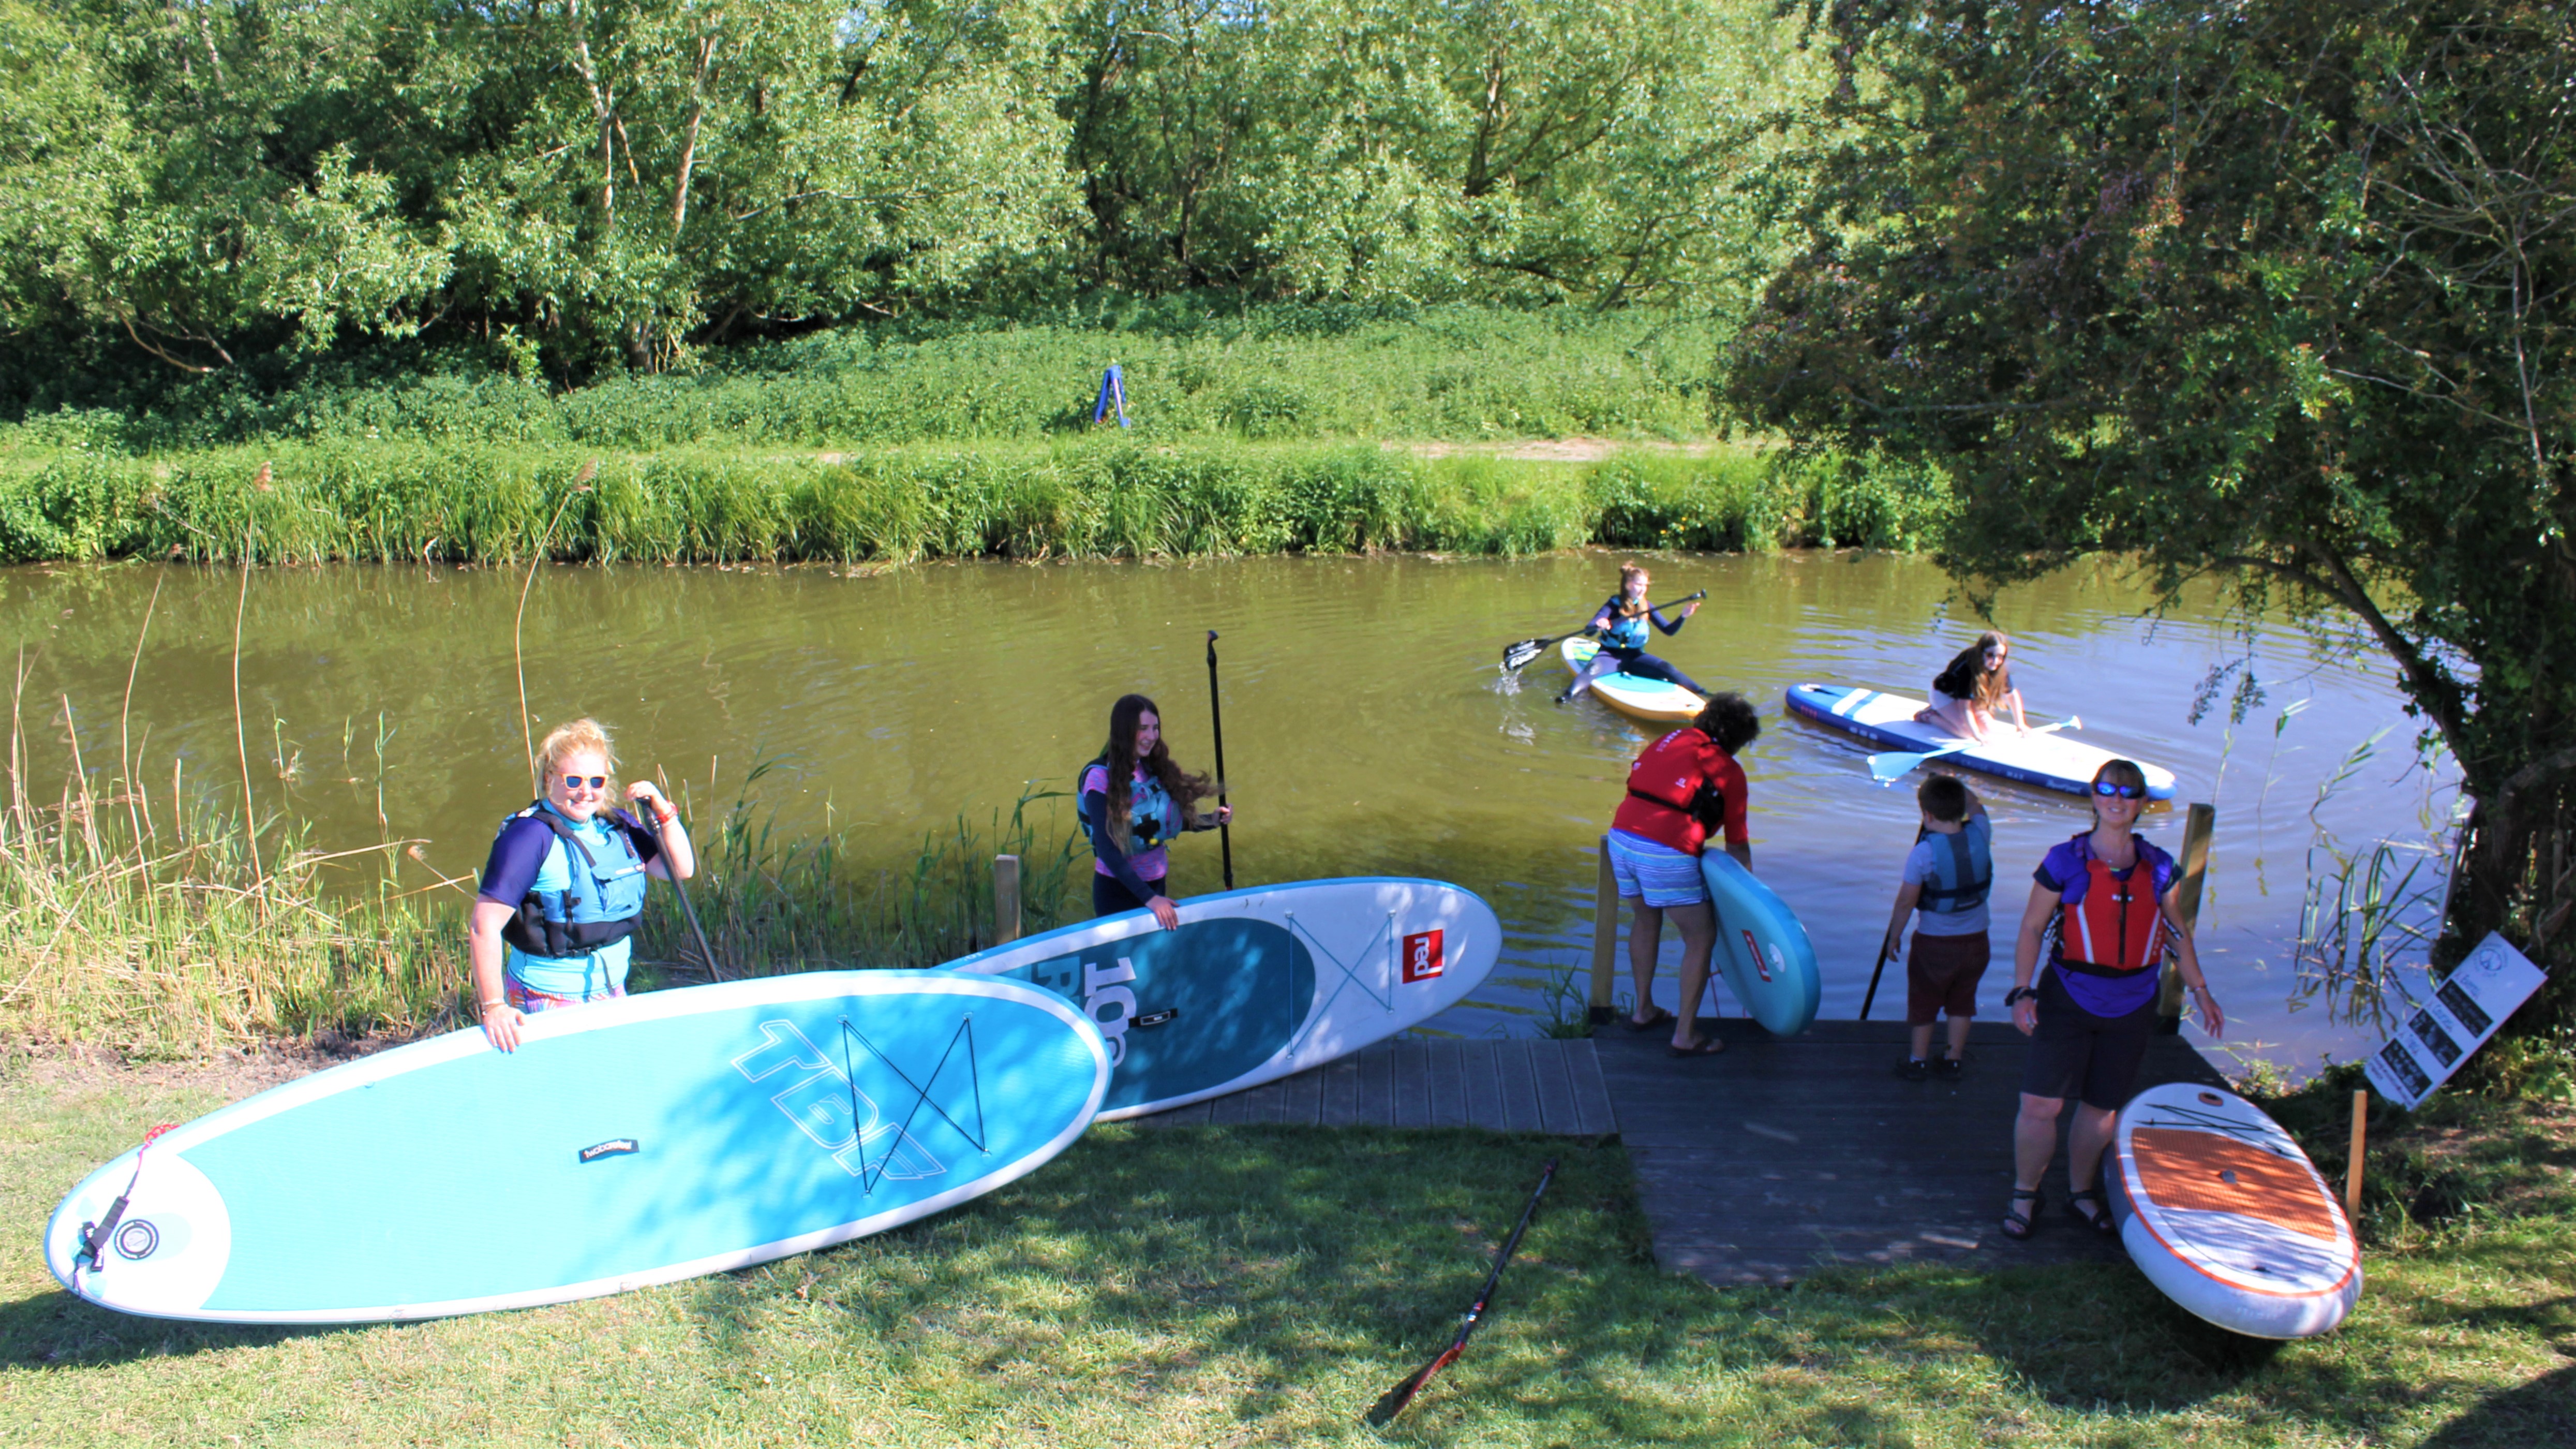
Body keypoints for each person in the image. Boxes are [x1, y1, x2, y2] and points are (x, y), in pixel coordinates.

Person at [1999, 759, 2224, 1240]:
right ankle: (2024, 1192)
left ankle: (2081, 1192)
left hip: (2133, 1000)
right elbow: (2032, 927)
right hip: (2069, 995)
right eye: (2106, 789)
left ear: (2142, 803)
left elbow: (2177, 932)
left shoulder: (2160, 867)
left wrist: (2201, 992)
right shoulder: (2064, 860)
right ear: (2094, 797)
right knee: (2040, 1105)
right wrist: (2022, 991)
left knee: (2102, 1108)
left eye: (2127, 792)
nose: (2116, 799)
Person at [471, 718, 696, 1053]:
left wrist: (663, 811)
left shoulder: (616, 825)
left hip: (613, 988)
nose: (586, 792)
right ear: (550, 779)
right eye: (573, 780)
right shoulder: (529, 837)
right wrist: (494, 1006)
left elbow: (680, 869)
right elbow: (483, 927)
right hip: (546, 997)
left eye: (596, 781)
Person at [1604, 692, 1761, 1057]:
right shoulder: (1728, 770)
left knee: (1645, 922)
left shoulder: (1669, 739)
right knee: (1700, 938)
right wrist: (1750, 898)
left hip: (1621, 838)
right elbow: (1738, 846)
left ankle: (1642, 1010)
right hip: (1666, 850)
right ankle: (1685, 1035)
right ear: (1738, 739)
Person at [1079, 693, 1231, 930]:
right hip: (1117, 890)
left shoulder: (1150, 768)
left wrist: (1211, 820)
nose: (1152, 737)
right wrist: (1149, 899)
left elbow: (1163, 823)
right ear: (1124, 730)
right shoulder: (1098, 778)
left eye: (1156, 728)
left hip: (1157, 884)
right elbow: (1107, 848)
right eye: (1143, 729)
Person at [1878, 775, 1993, 1081]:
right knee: (1962, 1001)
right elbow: (1976, 805)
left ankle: (1918, 1061)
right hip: (1978, 941)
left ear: (1927, 815)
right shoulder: (1982, 831)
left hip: (1935, 944)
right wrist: (1951, 783)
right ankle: (1953, 1059)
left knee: (1924, 999)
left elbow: (1906, 902)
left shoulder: (1924, 853)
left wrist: (1894, 936)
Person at [1559, 561, 1703, 704]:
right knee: (1592, 670)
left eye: (1645, 585)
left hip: (1636, 656)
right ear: (1628, 585)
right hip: (1610, 655)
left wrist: (1683, 616)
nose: (1643, 589)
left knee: (1667, 668)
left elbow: (1669, 631)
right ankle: (1566, 698)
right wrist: (1599, 625)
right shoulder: (1613, 605)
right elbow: (1589, 631)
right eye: (1639, 584)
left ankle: (1702, 693)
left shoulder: (1647, 606)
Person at [1914, 631, 2029, 742]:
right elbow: (1965, 707)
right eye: (1990, 655)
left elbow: (2012, 695)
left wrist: (2021, 724)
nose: (1995, 661)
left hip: (1966, 699)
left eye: (2000, 657)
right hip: (1945, 695)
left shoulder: (2000, 669)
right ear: (1981, 653)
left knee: (1989, 731)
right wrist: (1977, 735)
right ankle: (1930, 716)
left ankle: (1945, 714)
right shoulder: (1968, 670)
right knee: (1965, 733)